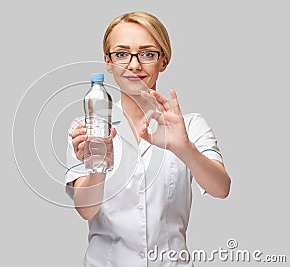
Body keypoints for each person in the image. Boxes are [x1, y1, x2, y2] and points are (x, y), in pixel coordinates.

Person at [65, 11, 231, 267]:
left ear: (163, 61)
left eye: (147, 53)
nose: (134, 65)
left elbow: (221, 189)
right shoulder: (86, 129)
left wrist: (184, 148)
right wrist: (99, 165)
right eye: (121, 54)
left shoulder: (190, 125)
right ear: (107, 62)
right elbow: (85, 210)